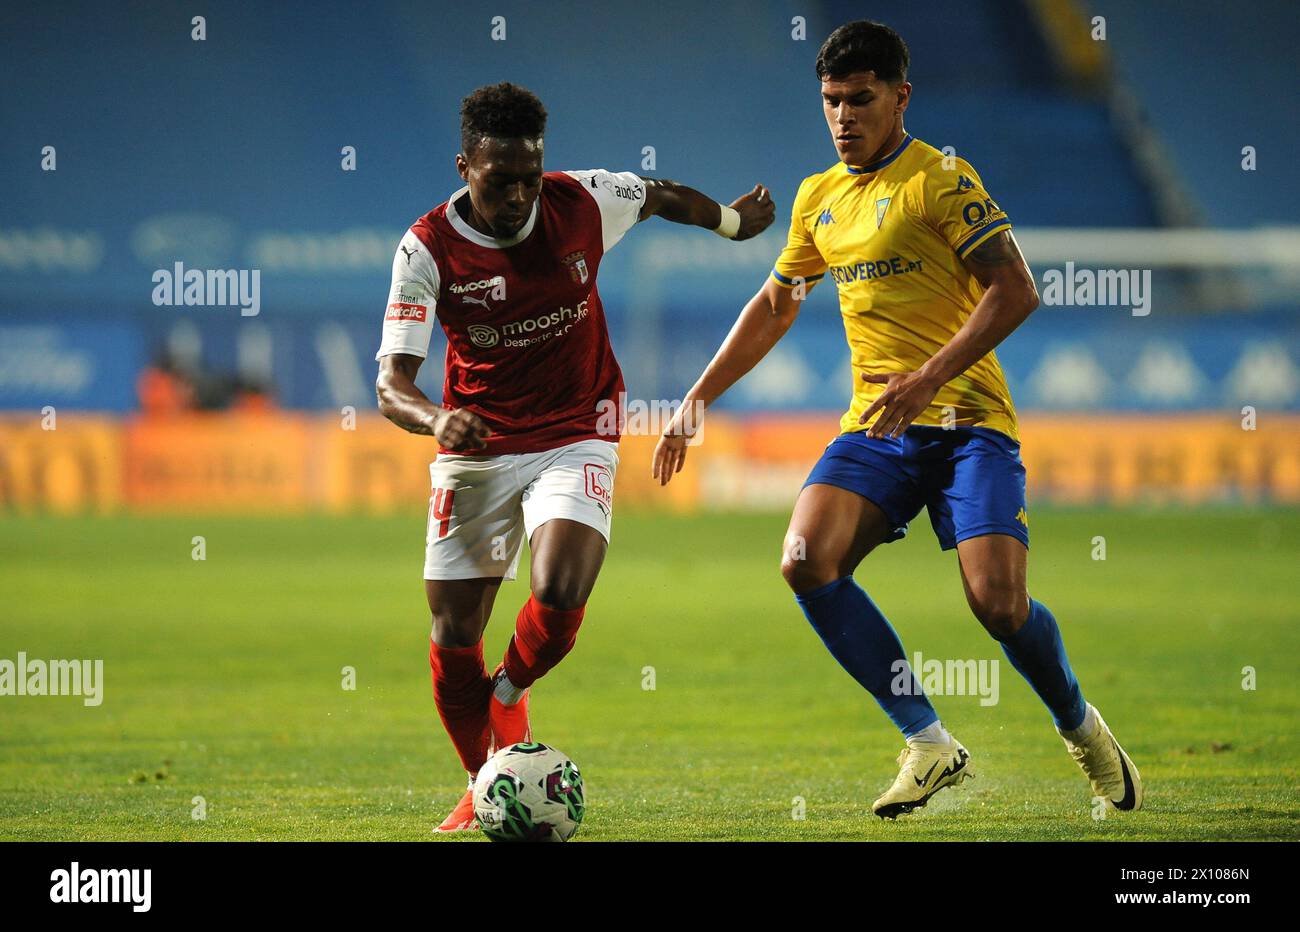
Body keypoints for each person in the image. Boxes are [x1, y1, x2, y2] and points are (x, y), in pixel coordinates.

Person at [653, 21, 1141, 819]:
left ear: (901, 97)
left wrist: (928, 377)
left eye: (860, 99)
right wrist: (694, 401)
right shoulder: (819, 196)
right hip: (878, 427)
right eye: (831, 102)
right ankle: (928, 741)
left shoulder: (941, 180)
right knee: (806, 558)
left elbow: (1015, 288)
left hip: (969, 423)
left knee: (998, 606)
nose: (843, 117)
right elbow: (777, 303)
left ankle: (1081, 726)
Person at [375, 81, 775, 831]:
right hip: (480, 445)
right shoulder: (426, 248)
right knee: (455, 634)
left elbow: (659, 195)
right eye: (502, 182)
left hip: (576, 427)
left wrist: (729, 222)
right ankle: (483, 778)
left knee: (560, 590)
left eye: (530, 176)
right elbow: (391, 386)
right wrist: (436, 420)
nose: (520, 196)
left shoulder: (582, 200)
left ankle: (509, 693)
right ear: (466, 167)